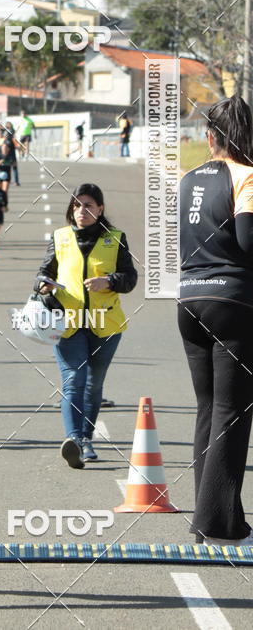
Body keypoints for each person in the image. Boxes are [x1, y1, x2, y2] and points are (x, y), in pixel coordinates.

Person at [178, 95, 253, 546]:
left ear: (210, 137)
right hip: (232, 302)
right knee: (233, 410)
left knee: (208, 409)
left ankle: (218, 518)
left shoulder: (188, 179)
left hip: (188, 298)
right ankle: (217, 525)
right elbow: (247, 241)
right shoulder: (246, 176)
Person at [35, 183, 137, 468]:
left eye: (88, 205)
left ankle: (86, 437)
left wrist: (110, 281)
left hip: (105, 323)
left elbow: (130, 278)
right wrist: (43, 286)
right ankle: (74, 440)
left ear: (100, 209)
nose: (81, 210)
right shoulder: (60, 237)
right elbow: (42, 274)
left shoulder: (115, 239)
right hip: (67, 323)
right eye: (77, 205)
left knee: (93, 384)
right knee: (73, 380)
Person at [3, 121, 20, 186]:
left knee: (11, 168)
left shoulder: (8, 138)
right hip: (11, 154)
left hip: (10, 154)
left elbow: (14, 141)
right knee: (12, 168)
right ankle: (15, 181)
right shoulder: (10, 136)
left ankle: (12, 181)